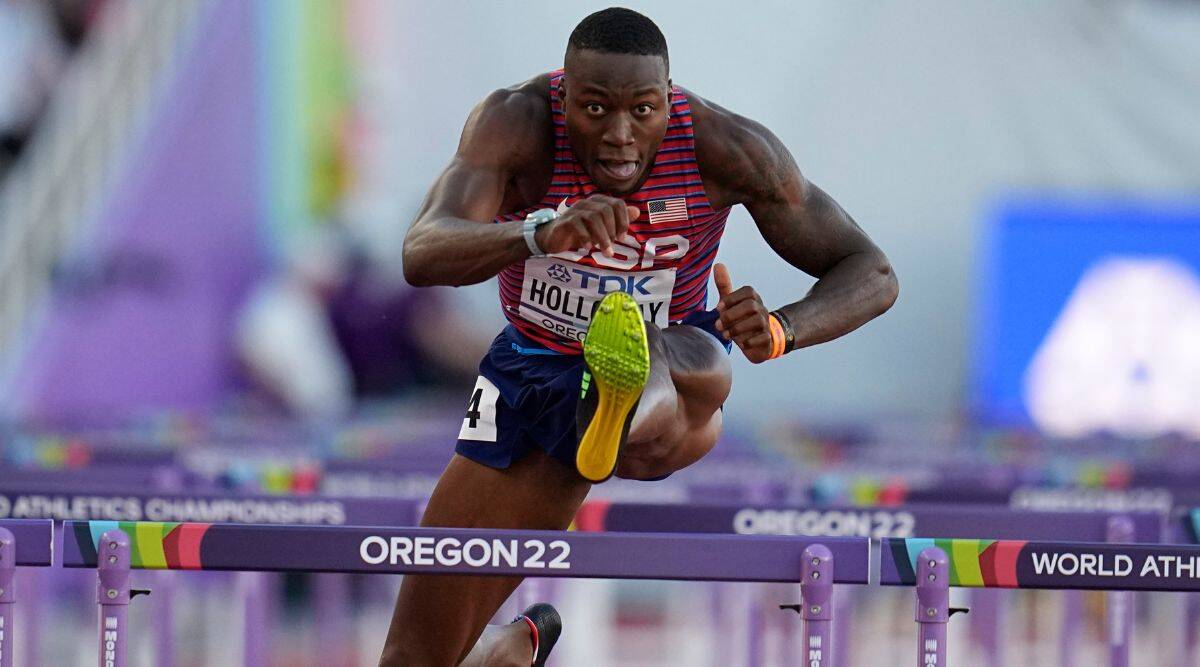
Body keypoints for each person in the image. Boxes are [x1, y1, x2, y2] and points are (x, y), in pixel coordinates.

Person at [381, 7, 898, 666]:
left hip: (677, 372)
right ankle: (502, 650)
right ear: (564, 97)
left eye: (644, 111)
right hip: (530, 374)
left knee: (688, 357)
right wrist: (539, 231)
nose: (621, 136)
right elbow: (422, 250)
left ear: (669, 99)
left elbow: (872, 272)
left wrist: (780, 328)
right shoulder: (516, 122)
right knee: (411, 659)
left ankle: (619, 393)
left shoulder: (725, 147)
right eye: (596, 111)